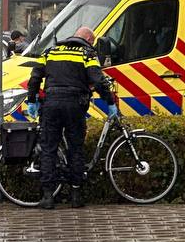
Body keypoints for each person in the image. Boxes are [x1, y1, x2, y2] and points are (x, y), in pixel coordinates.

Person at [25, 26, 117, 209]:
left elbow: (35, 77)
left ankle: (48, 196)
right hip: (75, 105)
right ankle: (76, 195)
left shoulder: (51, 51)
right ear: (89, 40)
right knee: (76, 148)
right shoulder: (87, 53)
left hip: (51, 104)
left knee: (49, 149)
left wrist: (32, 100)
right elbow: (97, 80)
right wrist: (110, 101)